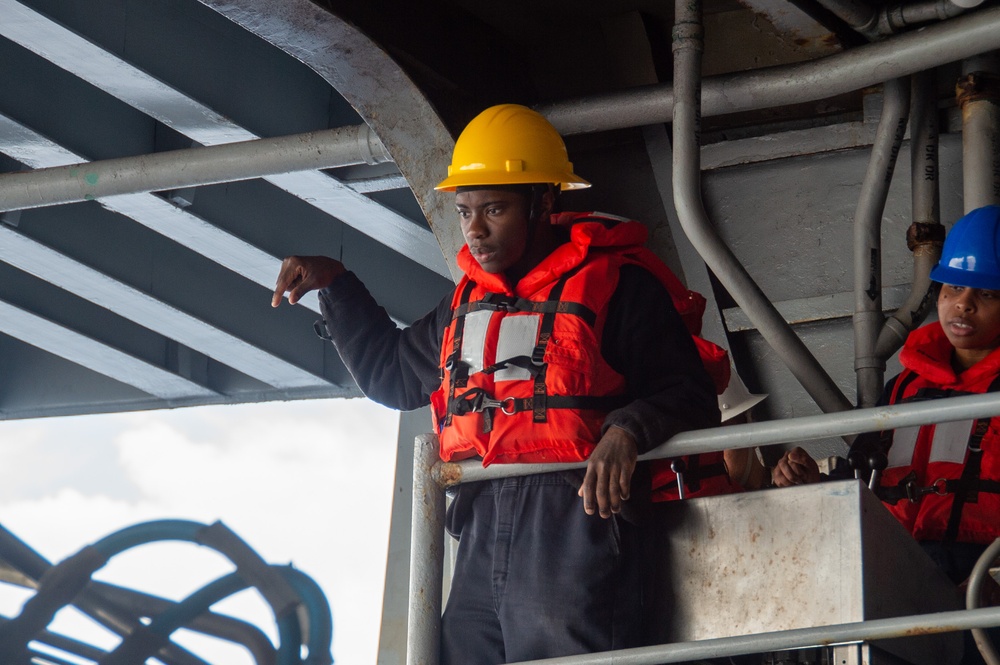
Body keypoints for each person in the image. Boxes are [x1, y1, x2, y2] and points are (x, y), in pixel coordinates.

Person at [271, 104, 721, 664]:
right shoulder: (465, 304)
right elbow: (392, 375)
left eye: (495, 209)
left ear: (545, 203)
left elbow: (692, 395)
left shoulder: (619, 286)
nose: (475, 229)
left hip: (578, 520)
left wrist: (626, 431)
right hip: (483, 523)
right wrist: (333, 285)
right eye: (464, 211)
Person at [773, 205, 1000, 662]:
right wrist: (811, 485)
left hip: (983, 583)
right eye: (953, 287)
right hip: (897, 574)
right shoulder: (905, 386)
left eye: (987, 292)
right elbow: (861, 483)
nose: (963, 303)